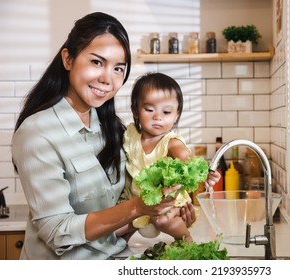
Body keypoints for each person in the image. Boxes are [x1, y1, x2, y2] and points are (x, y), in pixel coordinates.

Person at [11, 12, 197, 260]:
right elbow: (57, 232)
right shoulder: (37, 133)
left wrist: (164, 211)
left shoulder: (112, 129)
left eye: (118, 68)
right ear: (68, 59)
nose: (108, 79)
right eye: (97, 62)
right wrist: (138, 207)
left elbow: (116, 216)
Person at [115, 72, 220, 243]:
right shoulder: (131, 135)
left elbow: (189, 160)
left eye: (166, 111)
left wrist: (204, 173)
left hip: (168, 205)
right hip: (138, 204)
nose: (158, 117)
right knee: (114, 230)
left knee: (162, 220)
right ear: (135, 109)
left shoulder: (171, 142)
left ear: (176, 115)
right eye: (149, 110)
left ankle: (185, 238)